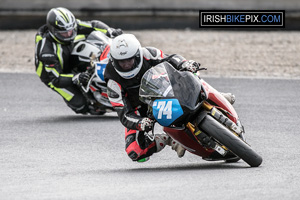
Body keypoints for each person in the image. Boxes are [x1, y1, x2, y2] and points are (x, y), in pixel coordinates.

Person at [104, 33, 236, 162]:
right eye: (122, 62)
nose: (126, 65)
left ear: (138, 55)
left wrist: (185, 63)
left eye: (130, 60)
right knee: (135, 152)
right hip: (140, 110)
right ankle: (169, 139)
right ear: (114, 61)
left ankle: (213, 95)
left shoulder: (148, 53)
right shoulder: (112, 80)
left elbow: (172, 59)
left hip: (163, 90)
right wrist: (140, 123)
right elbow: (124, 114)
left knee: (189, 72)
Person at [34, 7, 122, 114]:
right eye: (64, 33)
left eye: (71, 31)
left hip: (68, 56)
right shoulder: (47, 51)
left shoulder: (70, 27)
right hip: (53, 75)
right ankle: (95, 106)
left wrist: (111, 31)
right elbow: (56, 79)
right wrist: (76, 78)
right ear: (53, 31)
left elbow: (94, 25)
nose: (69, 35)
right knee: (80, 104)